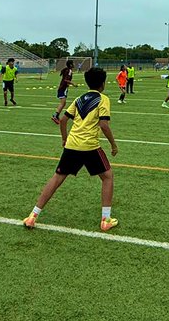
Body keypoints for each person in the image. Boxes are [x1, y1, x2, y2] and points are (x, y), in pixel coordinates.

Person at [23, 66, 119, 232]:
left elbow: (63, 121)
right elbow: (104, 124)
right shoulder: (103, 99)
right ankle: (106, 219)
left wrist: (64, 139)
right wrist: (113, 144)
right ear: (103, 83)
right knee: (108, 177)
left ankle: (33, 216)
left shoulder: (79, 99)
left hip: (72, 145)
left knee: (57, 178)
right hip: (89, 146)